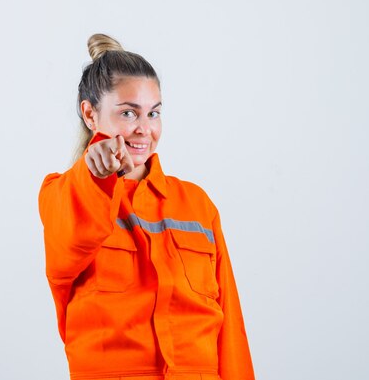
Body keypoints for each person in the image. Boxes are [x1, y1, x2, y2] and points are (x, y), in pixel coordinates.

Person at [38, 33, 255, 380]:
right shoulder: (63, 194)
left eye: (153, 113)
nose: (144, 129)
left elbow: (231, 331)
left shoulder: (196, 205)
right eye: (128, 113)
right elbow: (73, 233)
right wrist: (96, 173)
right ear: (90, 114)